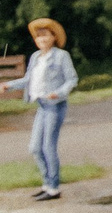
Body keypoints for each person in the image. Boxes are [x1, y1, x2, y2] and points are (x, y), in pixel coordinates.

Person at [5, 19, 77, 201]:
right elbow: (28, 80)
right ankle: (47, 183)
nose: (42, 40)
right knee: (35, 148)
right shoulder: (36, 57)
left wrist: (58, 93)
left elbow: (72, 79)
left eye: (46, 36)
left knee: (48, 147)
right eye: (38, 37)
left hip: (55, 106)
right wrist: (8, 85)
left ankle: (54, 188)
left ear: (54, 37)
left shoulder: (61, 56)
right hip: (42, 106)